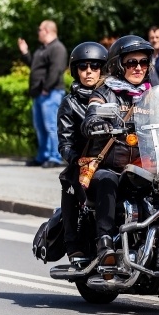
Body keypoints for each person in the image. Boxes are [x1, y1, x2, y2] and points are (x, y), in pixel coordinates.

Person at [81, 35, 154, 269]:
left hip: (144, 169)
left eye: (143, 62)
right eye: (132, 62)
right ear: (118, 65)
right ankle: (104, 244)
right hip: (112, 167)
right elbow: (91, 113)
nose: (138, 68)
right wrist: (95, 122)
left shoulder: (152, 96)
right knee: (106, 179)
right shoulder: (105, 93)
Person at [56, 41, 107, 266]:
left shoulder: (112, 98)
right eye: (83, 66)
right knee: (70, 182)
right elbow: (65, 142)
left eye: (95, 67)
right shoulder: (70, 103)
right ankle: (72, 243)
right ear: (75, 70)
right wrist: (77, 158)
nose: (89, 72)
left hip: (114, 161)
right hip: (84, 162)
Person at [18, 20, 68, 168]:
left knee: (51, 126)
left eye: (39, 30)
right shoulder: (42, 49)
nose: (37, 33)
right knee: (40, 126)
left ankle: (55, 157)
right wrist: (25, 52)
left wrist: (46, 87)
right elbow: (34, 66)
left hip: (51, 93)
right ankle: (43, 156)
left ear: (46, 30)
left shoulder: (58, 48)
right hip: (39, 94)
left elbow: (56, 70)